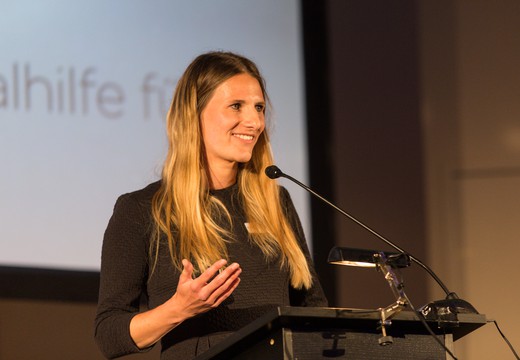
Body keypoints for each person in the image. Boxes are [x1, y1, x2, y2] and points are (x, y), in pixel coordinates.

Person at [94, 51, 328, 359]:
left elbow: (313, 311)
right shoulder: (141, 210)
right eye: (236, 106)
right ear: (194, 114)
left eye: (258, 108)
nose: (254, 121)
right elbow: (109, 334)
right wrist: (178, 309)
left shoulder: (276, 201)